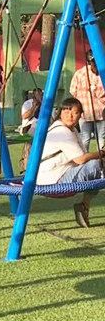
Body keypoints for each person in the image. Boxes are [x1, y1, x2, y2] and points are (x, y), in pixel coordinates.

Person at [36, 96, 105, 228]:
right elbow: (81, 159)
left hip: (56, 174)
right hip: (54, 179)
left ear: (80, 115)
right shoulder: (62, 131)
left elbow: (82, 156)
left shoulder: (71, 130)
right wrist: (101, 154)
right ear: (60, 113)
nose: (70, 116)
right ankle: (84, 206)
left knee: (98, 166)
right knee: (96, 166)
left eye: (75, 112)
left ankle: (84, 206)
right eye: (66, 112)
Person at [69, 51, 105, 151]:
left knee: (100, 139)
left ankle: (101, 158)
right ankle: (85, 158)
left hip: (101, 113)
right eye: (93, 63)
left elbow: (73, 91)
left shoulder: (102, 73)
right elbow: (73, 91)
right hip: (85, 113)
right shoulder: (80, 74)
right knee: (85, 139)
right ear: (89, 63)